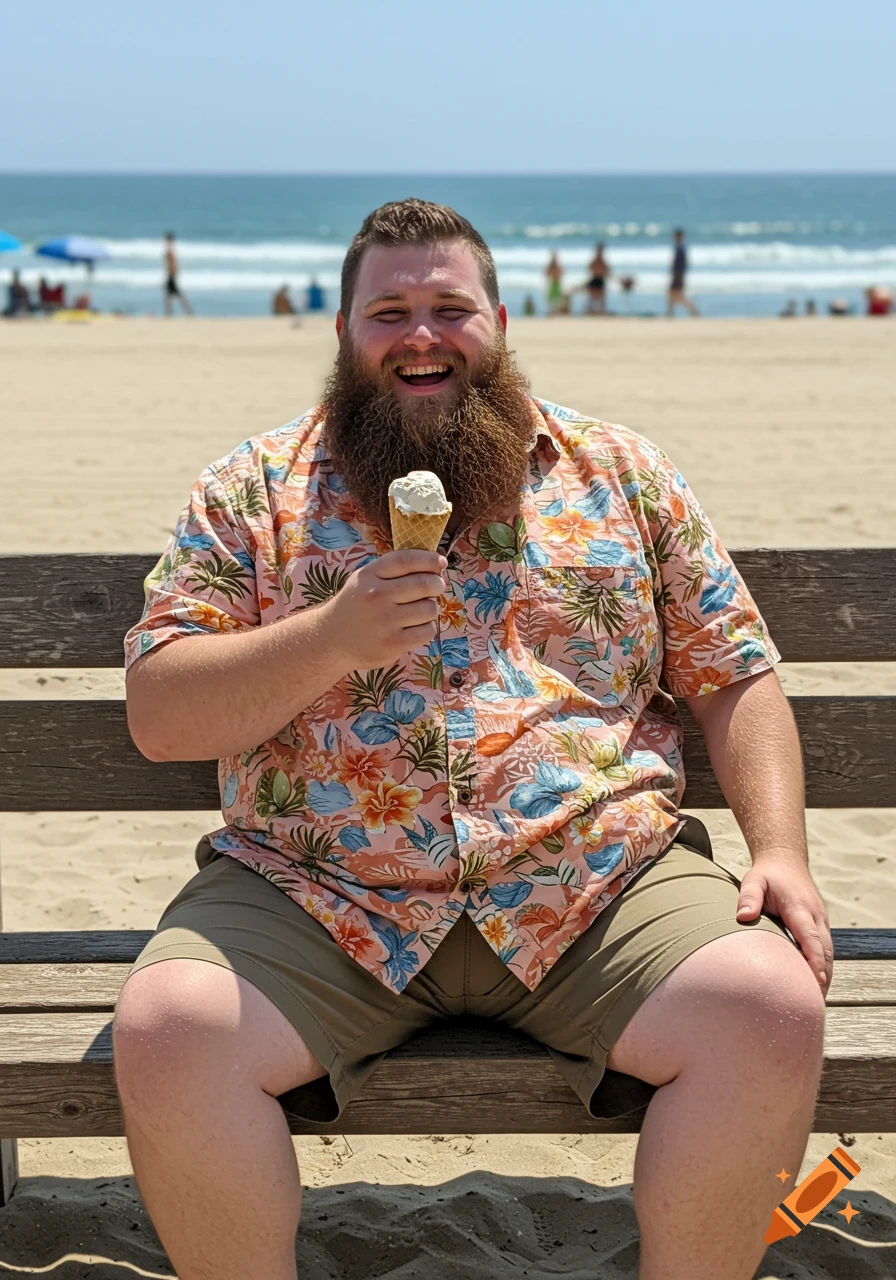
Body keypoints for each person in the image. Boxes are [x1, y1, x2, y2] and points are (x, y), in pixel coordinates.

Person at [116, 197, 830, 1280]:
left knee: (768, 1006)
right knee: (168, 1028)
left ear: (496, 319)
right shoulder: (252, 488)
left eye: (449, 306)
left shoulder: (619, 474)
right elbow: (161, 711)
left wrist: (778, 849)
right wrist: (328, 638)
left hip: (592, 885)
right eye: (386, 310)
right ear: (343, 332)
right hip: (319, 893)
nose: (420, 334)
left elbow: (733, 673)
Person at [667, 228, 699, 317]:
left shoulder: (680, 248)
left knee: (677, 295)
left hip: (678, 275)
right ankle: (670, 312)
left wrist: (678, 275)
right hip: (677, 274)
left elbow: (681, 264)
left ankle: (692, 309)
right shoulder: (679, 247)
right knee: (672, 294)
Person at [163, 232, 194, 316]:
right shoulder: (170, 249)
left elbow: (172, 264)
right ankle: (170, 312)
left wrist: (171, 274)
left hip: (171, 275)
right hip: (171, 275)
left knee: (176, 295)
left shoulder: (170, 250)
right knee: (170, 295)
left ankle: (187, 311)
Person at [584, 241, 611, 314]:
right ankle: (594, 312)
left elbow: (607, 271)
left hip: (599, 278)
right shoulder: (599, 260)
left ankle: (598, 312)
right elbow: (590, 268)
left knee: (599, 299)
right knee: (595, 298)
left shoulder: (600, 260)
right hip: (596, 278)